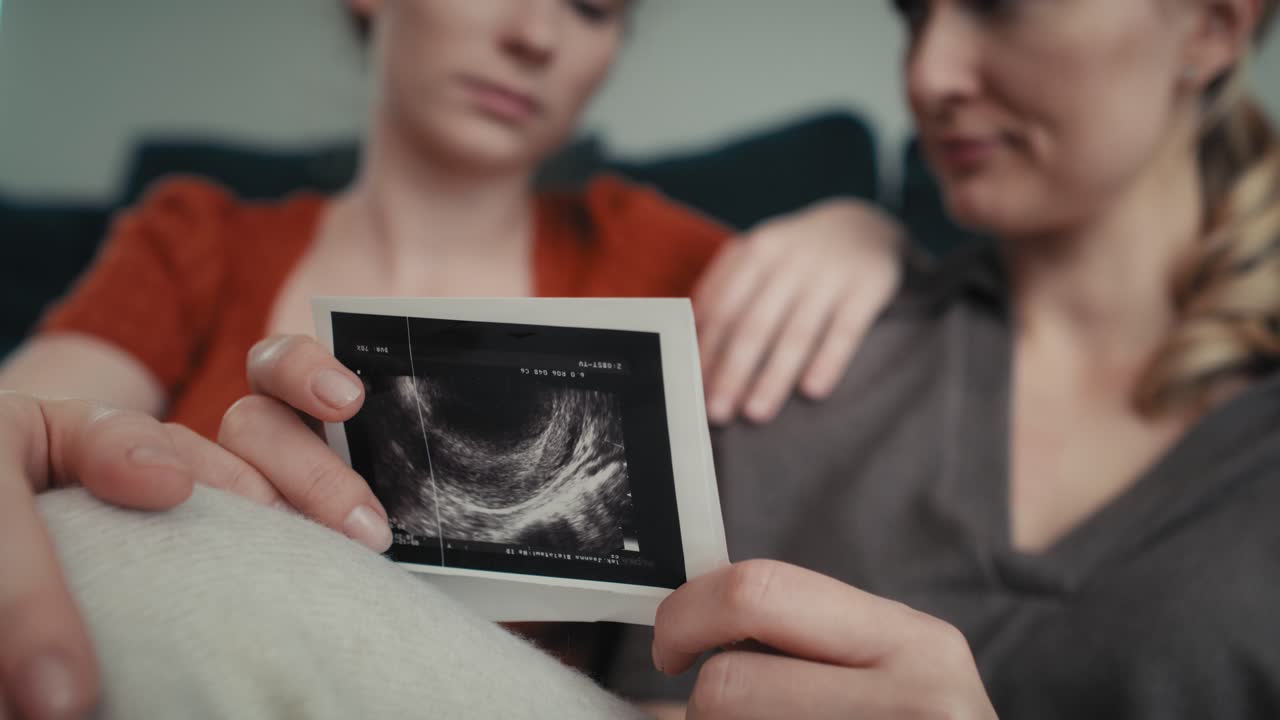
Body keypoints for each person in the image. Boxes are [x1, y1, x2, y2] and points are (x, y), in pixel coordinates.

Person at [8, 0, 1279, 717]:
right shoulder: (198, 238)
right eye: (909, 14)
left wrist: (858, 231)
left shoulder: (690, 277)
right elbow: (43, 414)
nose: (927, 76)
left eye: (592, 5)